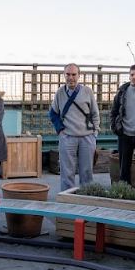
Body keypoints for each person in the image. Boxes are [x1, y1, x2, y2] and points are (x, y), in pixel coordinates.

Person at [49, 63, 99, 191]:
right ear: (64, 75)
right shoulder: (60, 92)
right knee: (66, 172)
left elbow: (95, 113)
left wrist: (95, 133)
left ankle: (86, 198)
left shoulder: (87, 91)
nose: (70, 77)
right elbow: (53, 113)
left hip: (87, 137)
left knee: (87, 172)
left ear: (79, 75)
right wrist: (60, 130)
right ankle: (67, 199)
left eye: (73, 74)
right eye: (68, 74)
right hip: (67, 137)